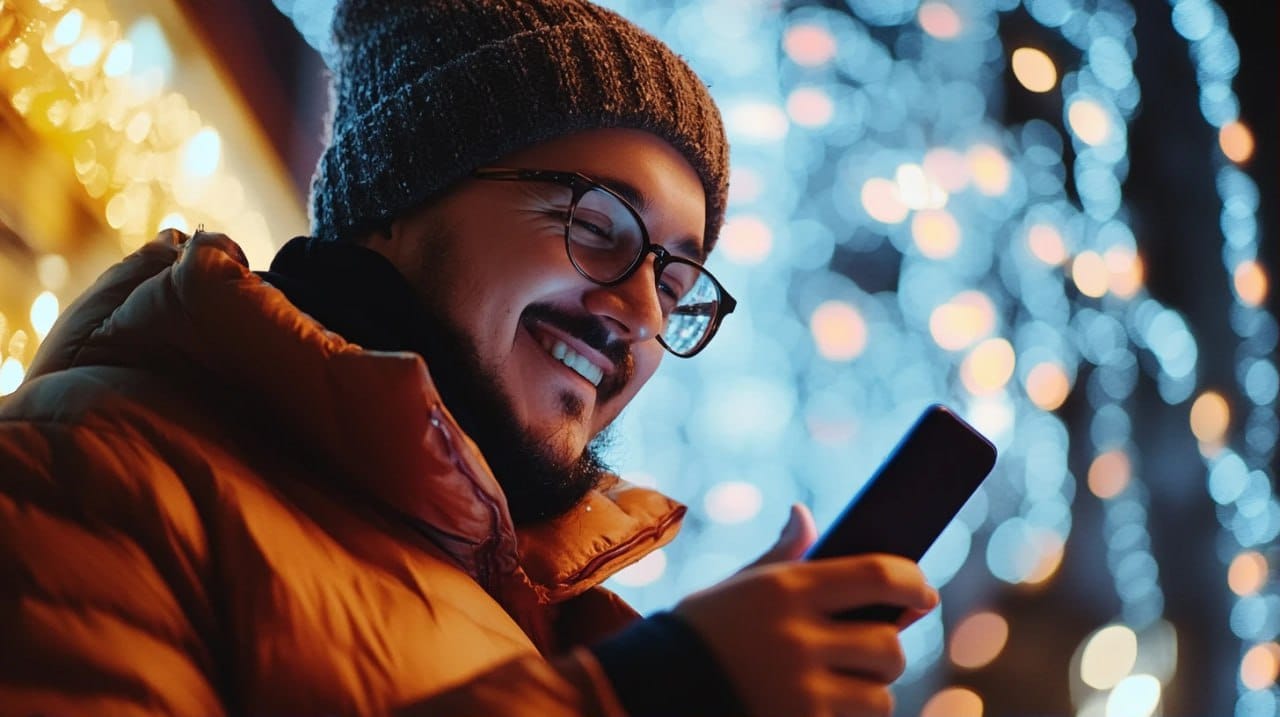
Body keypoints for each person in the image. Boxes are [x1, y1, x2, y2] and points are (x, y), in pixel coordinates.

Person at [0, 1, 938, 715]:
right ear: (399, 203)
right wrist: (658, 688)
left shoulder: (555, 621)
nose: (641, 312)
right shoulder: (85, 472)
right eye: (596, 226)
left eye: (680, 283)